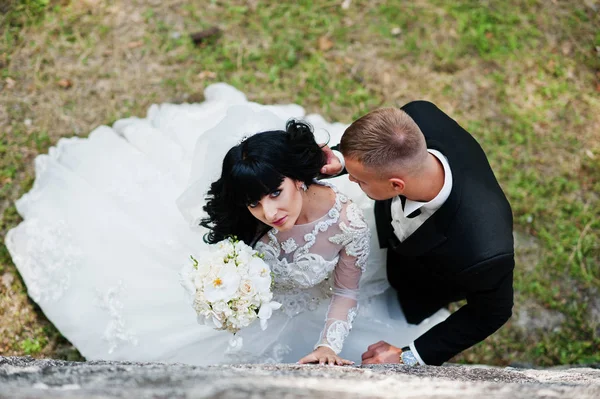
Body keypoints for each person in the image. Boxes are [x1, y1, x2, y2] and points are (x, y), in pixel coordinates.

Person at [5, 83, 448, 365]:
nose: (269, 212)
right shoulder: (249, 217)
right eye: (254, 203)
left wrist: (329, 345)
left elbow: (346, 291)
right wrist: (226, 291)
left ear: (298, 178)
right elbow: (229, 250)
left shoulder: (347, 221)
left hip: (315, 313)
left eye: (276, 193)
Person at [322, 104, 515, 366]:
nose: (352, 182)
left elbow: (491, 313)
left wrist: (409, 356)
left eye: (359, 180)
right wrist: (342, 161)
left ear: (396, 185)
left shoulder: (484, 251)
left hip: (420, 286)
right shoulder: (416, 118)